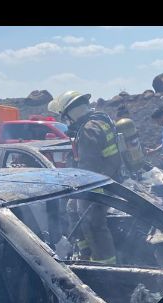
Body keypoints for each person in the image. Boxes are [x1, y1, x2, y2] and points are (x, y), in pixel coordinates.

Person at [48, 90, 121, 264]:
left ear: (72, 113)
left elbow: (88, 168)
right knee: (72, 208)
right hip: (106, 179)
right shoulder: (100, 122)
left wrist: (84, 191)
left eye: (66, 117)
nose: (67, 121)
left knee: (93, 224)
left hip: (96, 186)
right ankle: (85, 251)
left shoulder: (88, 129)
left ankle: (105, 265)